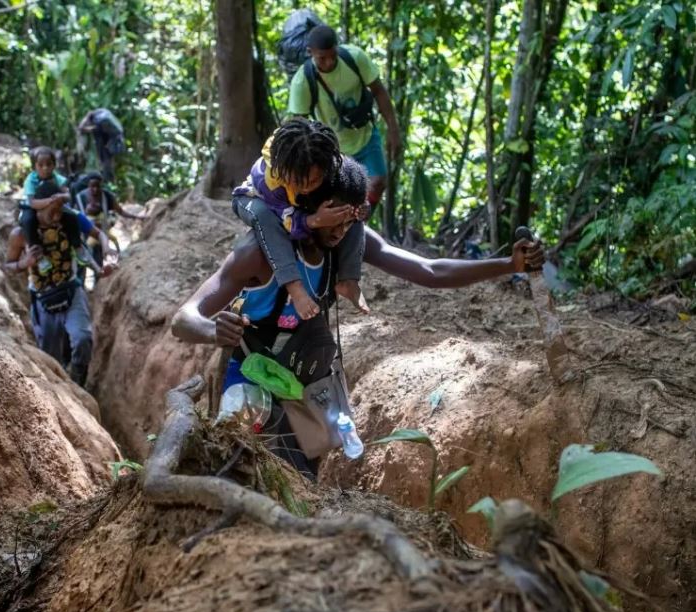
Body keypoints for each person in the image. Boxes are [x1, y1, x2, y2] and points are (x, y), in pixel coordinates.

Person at [172, 159, 544, 476]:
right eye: (333, 218)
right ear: (310, 211)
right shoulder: (257, 254)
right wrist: (213, 329)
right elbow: (183, 319)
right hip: (250, 377)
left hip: (306, 385)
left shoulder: (346, 242)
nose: (340, 230)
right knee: (235, 471)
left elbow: (430, 270)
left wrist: (508, 265)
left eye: (349, 221)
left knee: (301, 486)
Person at [232, 119, 369, 324]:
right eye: (298, 182)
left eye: (314, 181)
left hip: (295, 205)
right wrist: (313, 220)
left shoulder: (323, 159)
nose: (306, 188)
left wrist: (358, 208)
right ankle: (295, 289)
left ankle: (349, 280)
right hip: (255, 200)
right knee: (266, 219)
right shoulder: (269, 182)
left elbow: (350, 185)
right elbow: (287, 221)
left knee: (350, 211)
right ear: (284, 172)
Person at [4, 180, 115, 386]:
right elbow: (8, 266)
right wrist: (24, 263)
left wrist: (101, 265)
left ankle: (78, 384)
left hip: (71, 289)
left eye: (60, 211)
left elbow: (89, 244)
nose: (56, 217)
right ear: (39, 208)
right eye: (51, 212)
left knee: (82, 339)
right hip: (43, 297)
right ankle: (59, 390)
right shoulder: (20, 235)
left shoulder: (69, 220)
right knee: (50, 356)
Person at [288, 25, 400, 209]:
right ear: (311, 53)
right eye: (322, 58)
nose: (329, 62)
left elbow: (379, 91)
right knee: (338, 199)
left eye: (333, 55)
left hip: (364, 136)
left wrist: (393, 130)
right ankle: (342, 228)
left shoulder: (354, 58)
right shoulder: (303, 81)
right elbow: (298, 124)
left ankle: (358, 223)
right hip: (332, 148)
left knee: (378, 182)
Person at [73, 171, 146, 270]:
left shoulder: (107, 196)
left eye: (98, 186)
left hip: (101, 233)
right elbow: (73, 216)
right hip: (83, 236)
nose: (95, 190)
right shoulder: (80, 198)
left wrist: (136, 217)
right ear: (88, 185)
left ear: (101, 185)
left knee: (98, 261)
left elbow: (120, 211)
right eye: (92, 187)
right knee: (82, 263)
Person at [18, 146, 70, 251]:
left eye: (49, 164)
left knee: (72, 216)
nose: (45, 168)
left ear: (54, 165)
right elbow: (32, 202)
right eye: (41, 165)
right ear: (34, 167)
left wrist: (62, 196)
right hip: (32, 206)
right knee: (28, 221)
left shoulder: (57, 178)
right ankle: (35, 247)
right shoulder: (31, 180)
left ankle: (77, 245)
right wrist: (50, 201)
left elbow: (68, 195)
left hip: (55, 204)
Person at [77, 108, 125, 181]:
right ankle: (109, 179)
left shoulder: (98, 124)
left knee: (106, 162)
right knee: (108, 162)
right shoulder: (103, 113)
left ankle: (107, 179)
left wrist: (87, 117)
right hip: (112, 141)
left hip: (108, 142)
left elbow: (81, 128)